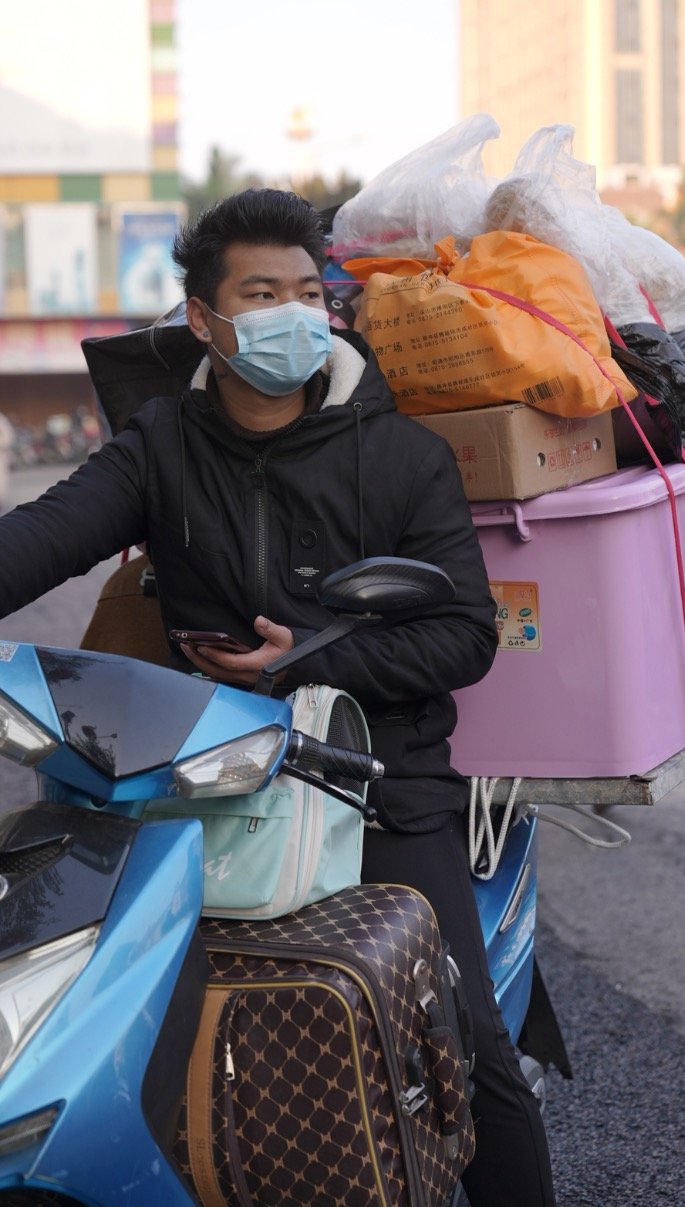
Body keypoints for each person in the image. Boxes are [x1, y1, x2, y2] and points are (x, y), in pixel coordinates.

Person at [0, 188, 555, 1206]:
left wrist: (310, 659)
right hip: (198, 775)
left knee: (464, 1038)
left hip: (378, 781)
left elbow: (462, 635)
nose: (292, 312)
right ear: (205, 320)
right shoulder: (158, 448)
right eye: (261, 292)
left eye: (306, 291)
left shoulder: (404, 456)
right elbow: (40, 534)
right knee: (89, 1003)